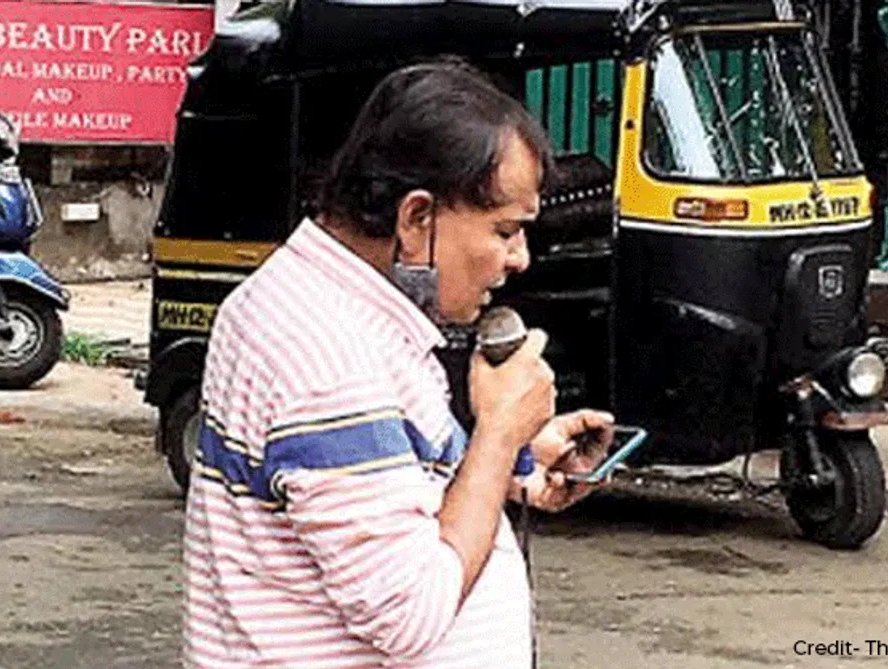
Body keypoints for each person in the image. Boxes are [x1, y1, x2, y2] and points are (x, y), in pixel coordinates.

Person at [182, 58, 616, 669]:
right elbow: (409, 612)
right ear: (417, 218)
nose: (520, 258)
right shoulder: (327, 351)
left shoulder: (314, 300)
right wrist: (494, 438)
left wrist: (518, 456)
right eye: (506, 230)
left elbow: (376, 481)